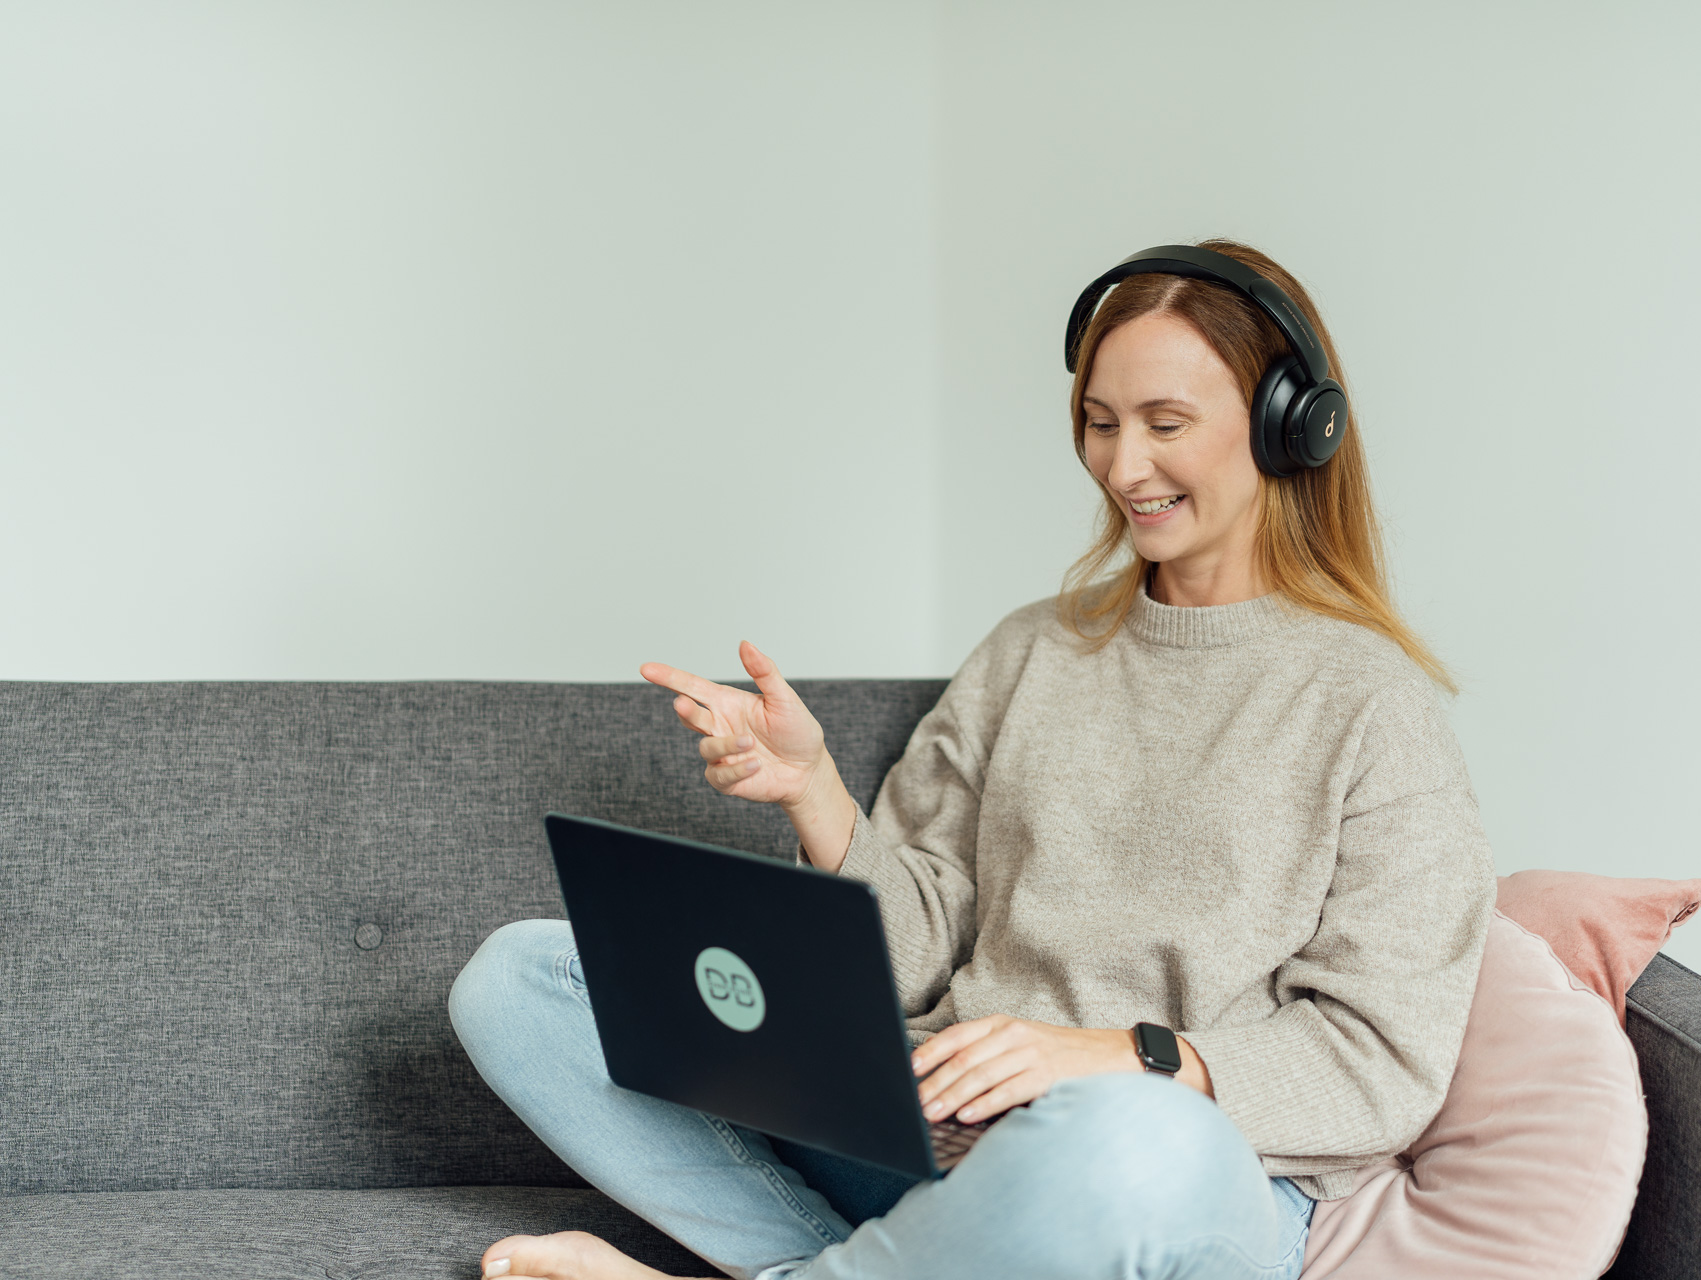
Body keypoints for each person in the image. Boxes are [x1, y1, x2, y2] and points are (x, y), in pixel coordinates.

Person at [448, 239, 1496, 1280]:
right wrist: (814, 792)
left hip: (1163, 1174)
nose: (1124, 467)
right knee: (524, 978)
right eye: (1101, 423)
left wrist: (1115, 1059)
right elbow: (910, 959)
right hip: (940, 1138)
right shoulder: (1030, 650)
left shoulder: (1373, 705)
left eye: (1165, 424)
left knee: (1137, 1138)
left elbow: (1381, 1059)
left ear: (1289, 424)